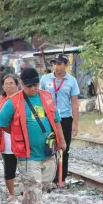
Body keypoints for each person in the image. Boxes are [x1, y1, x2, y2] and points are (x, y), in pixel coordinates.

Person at [0, 68, 67, 204]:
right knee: (34, 180)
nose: (33, 88)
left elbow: (56, 120)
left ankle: (27, 201)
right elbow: (1, 122)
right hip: (26, 150)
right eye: (29, 86)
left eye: (35, 84)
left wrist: (61, 140)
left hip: (48, 148)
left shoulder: (46, 97)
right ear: (22, 84)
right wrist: (17, 133)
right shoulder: (13, 102)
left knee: (46, 180)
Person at [40, 54, 80, 188]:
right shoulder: (45, 79)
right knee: (47, 147)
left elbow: (74, 103)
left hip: (65, 118)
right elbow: (39, 99)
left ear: (66, 65)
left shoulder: (71, 81)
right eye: (54, 64)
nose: (56, 66)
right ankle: (47, 177)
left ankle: (60, 178)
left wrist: (75, 123)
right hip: (48, 118)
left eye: (59, 64)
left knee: (64, 148)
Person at [0, 75, 20, 202]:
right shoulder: (0, 102)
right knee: (9, 166)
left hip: (22, 138)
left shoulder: (23, 99)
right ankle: (12, 194)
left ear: (17, 85)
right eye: (6, 83)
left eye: (11, 83)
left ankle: (28, 193)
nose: (8, 86)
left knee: (27, 167)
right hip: (5, 139)